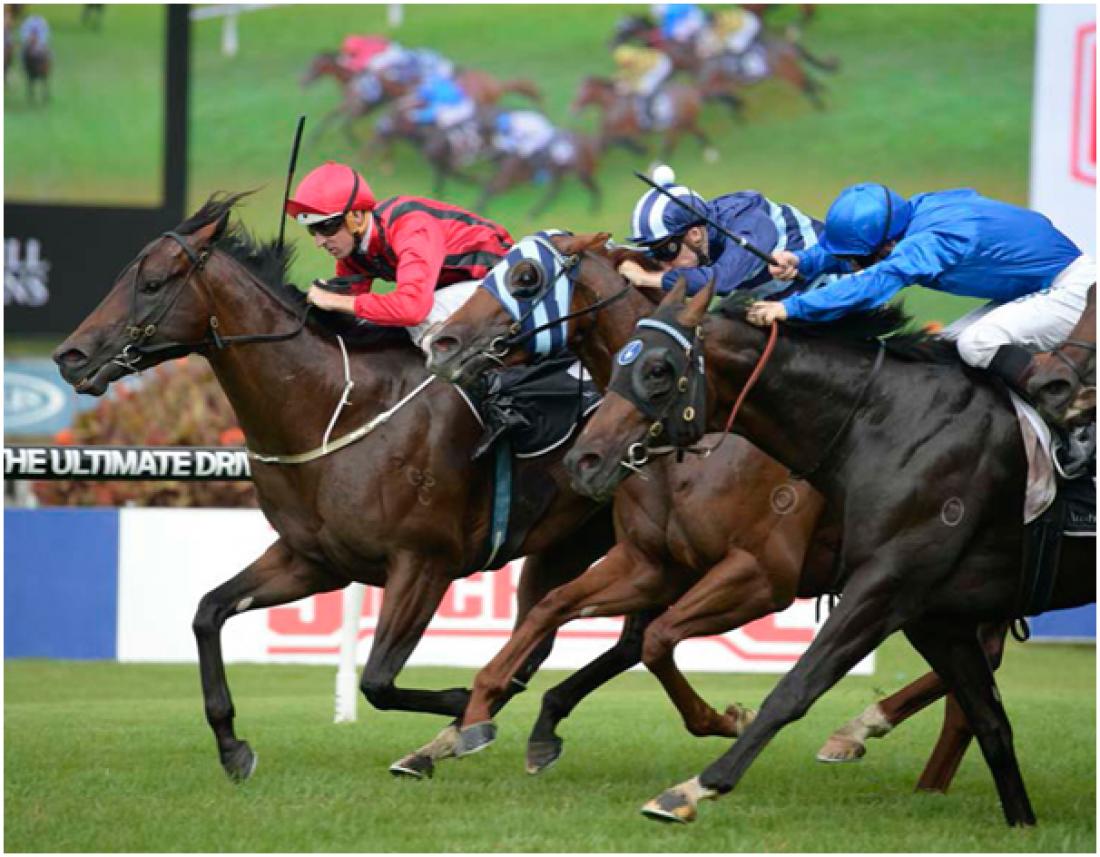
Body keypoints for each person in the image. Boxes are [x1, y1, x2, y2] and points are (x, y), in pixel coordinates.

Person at [747, 184, 1096, 408]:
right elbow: (866, 257)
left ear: (888, 245)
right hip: (1040, 288)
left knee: (978, 343)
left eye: (856, 260)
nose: (851, 266)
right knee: (946, 350)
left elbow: (872, 283)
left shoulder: (934, 241)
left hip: (1077, 293)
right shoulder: (913, 213)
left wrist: (791, 307)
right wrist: (803, 261)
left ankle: (1067, 406)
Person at [284, 161, 513, 352]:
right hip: (455, 288)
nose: (319, 242)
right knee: (367, 321)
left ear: (356, 217)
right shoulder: (354, 249)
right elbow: (349, 304)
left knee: (420, 321)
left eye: (326, 227)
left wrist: (334, 300)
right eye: (312, 230)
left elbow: (412, 309)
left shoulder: (410, 226)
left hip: (503, 281)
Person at [617, 165, 836, 299]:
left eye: (666, 251)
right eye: (655, 253)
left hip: (835, 284)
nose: (663, 264)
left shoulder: (749, 223)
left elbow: (721, 281)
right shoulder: (699, 234)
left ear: (694, 235)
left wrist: (647, 278)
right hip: (784, 301)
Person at [612, 44, 674, 129]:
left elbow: (637, 79)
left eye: (627, 64)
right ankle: (645, 117)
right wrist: (619, 80)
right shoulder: (628, 60)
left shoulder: (640, 62)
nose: (625, 66)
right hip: (650, 66)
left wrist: (629, 87)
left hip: (659, 65)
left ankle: (662, 117)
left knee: (645, 88)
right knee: (639, 90)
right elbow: (625, 72)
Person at [407, 74, 475, 131]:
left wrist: (417, 115)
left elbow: (435, 110)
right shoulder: (443, 84)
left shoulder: (456, 95)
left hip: (448, 115)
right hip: (436, 104)